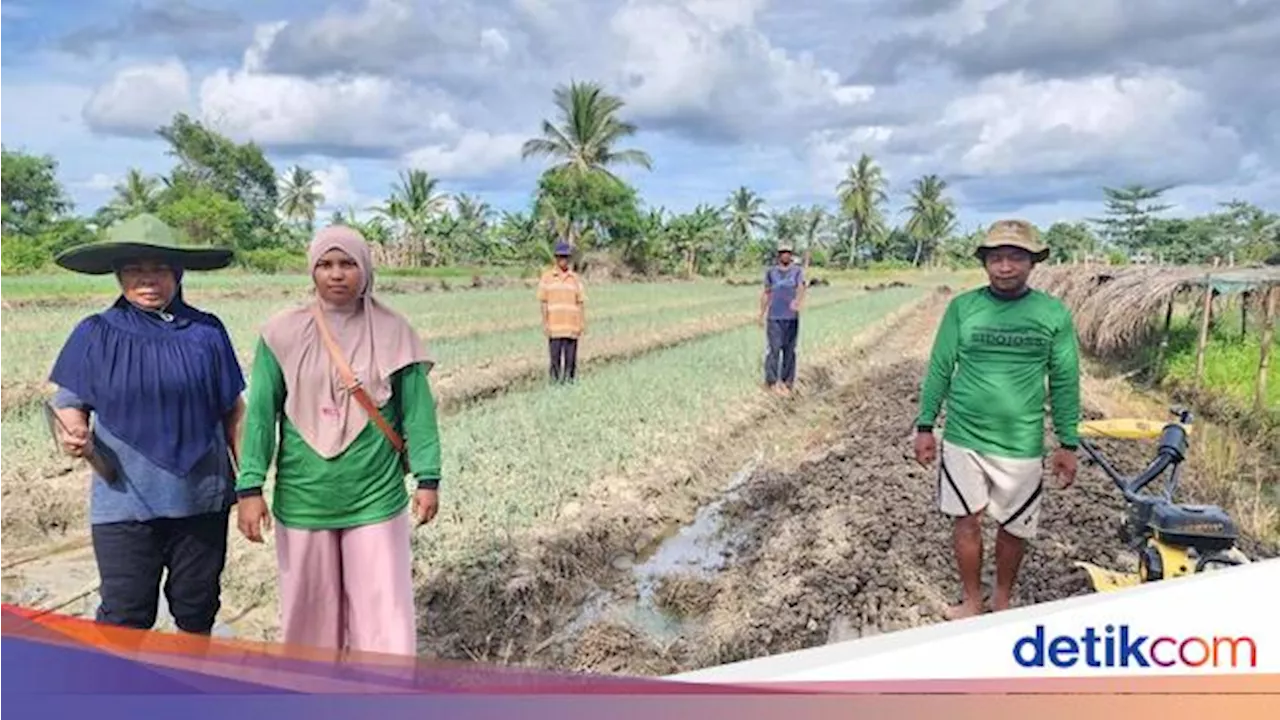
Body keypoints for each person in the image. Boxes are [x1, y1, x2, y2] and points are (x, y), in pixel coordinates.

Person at [234, 224, 441, 657]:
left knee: (383, 617)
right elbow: (260, 416)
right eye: (325, 265)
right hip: (305, 495)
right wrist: (250, 487)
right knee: (307, 616)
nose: (336, 274)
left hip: (375, 495)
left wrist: (428, 478)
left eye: (347, 263)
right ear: (312, 271)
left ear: (364, 269)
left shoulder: (395, 332)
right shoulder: (280, 333)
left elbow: (418, 413)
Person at [46, 213, 245, 637]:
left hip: (201, 499)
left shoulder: (207, 332)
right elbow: (68, 403)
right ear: (119, 275)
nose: (147, 279)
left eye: (158, 269)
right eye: (135, 269)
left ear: (177, 273)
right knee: (124, 615)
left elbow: (234, 412)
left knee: (197, 609)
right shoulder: (95, 333)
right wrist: (74, 432)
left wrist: (249, 487)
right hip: (124, 499)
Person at [913, 219, 1081, 619]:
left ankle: (1002, 600)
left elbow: (1064, 379)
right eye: (997, 259)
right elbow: (940, 366)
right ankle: (972, 600)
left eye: (1015, 258)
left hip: (1021, 442)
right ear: (985, 263)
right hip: (963, 437)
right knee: (965, 521)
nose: (1005, 267)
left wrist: (1068, 442)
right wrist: (924, 426)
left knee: (1014, 528)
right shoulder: (963, 308)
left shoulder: (1052, 313)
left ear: (1032, 263)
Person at [536, 241, 586, 385]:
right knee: (555, 360)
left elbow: (580, 302)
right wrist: (545, 323)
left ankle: (570, 384)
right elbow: (543, 302)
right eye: (560, 257)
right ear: (556, 258)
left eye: (566, 257)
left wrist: (582, 323)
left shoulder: (575, 279)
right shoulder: (547, 277)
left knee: (570, 361)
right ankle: (554, 384)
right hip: (555, 327)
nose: (563, 260)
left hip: (571, 327)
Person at [759, 242, 806, 395]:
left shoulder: (797, 271)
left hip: (791, 317)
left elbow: (801, 287)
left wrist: (797, 301)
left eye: (788, 252)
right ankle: (771, 382)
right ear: (778, 255)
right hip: (774, 317)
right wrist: (761, 314)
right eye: (782, 252)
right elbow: (767, 292)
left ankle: (787, 382)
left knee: (789, 350)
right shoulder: (771, 272)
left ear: (791, 255)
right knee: (773, 349)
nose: (785, 255)